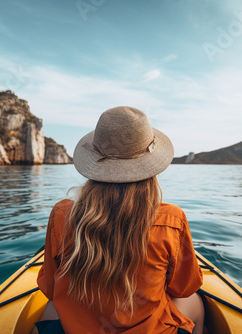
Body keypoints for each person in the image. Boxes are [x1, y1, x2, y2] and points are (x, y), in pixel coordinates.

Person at [34, 106, 205, 334]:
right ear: (151, 168)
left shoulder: (62, 214)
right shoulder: (171, 219)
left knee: (51, 307)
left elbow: (50, 288)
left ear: (94, 163)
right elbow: (184, 287)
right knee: (195, 301)